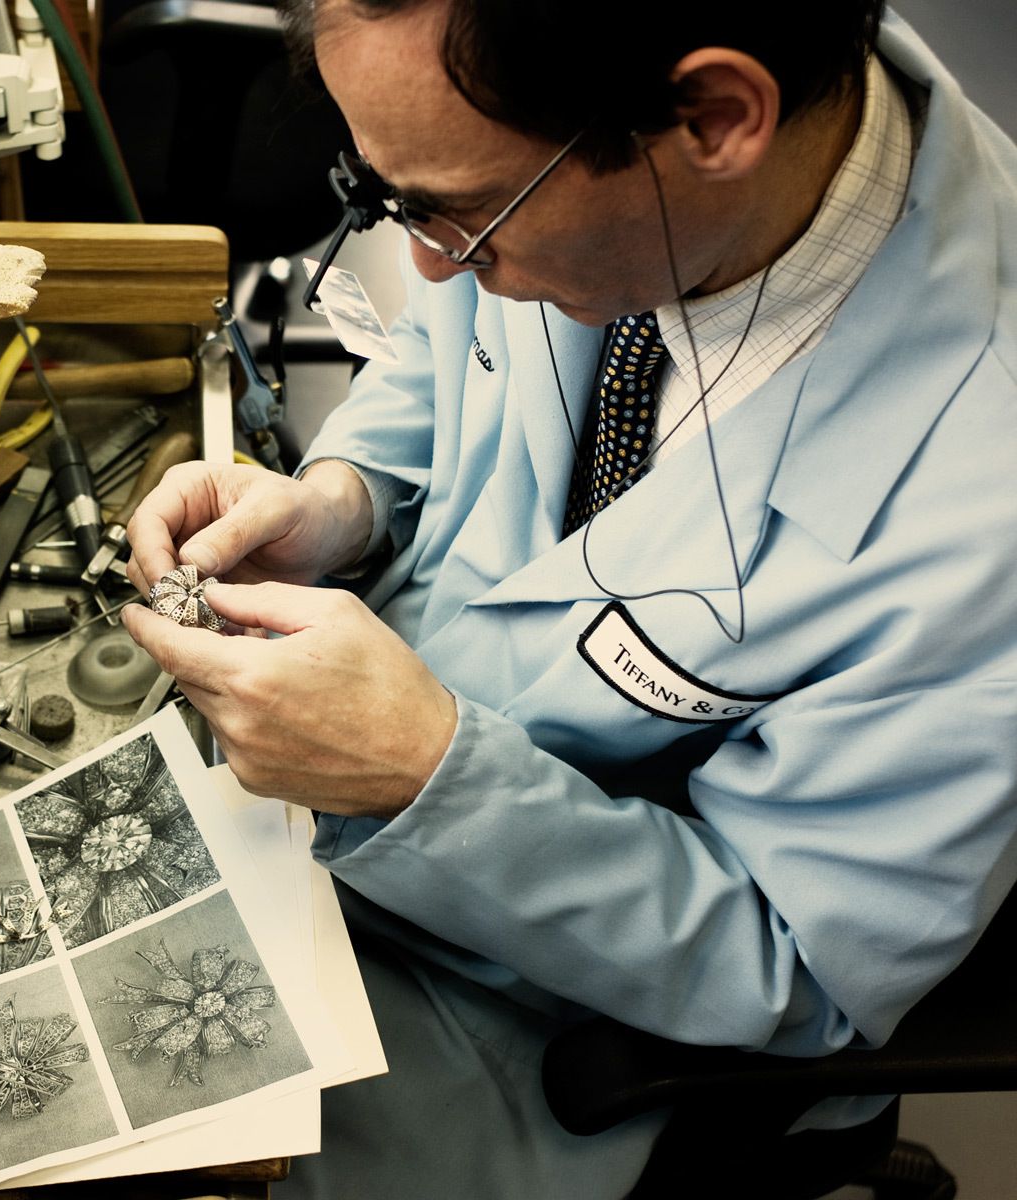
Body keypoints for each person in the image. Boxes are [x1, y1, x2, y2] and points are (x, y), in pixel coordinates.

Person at [119, 1, 1017, 1195]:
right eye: (390, 200)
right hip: (326, 820)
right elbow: (446, 355)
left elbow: (793, 974)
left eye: (460, 212)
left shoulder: (980, 516)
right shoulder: (590, 155)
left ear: (715, 119)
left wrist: (421, 775)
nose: (430, 264)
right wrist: (342, 497)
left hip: (554, 1011)